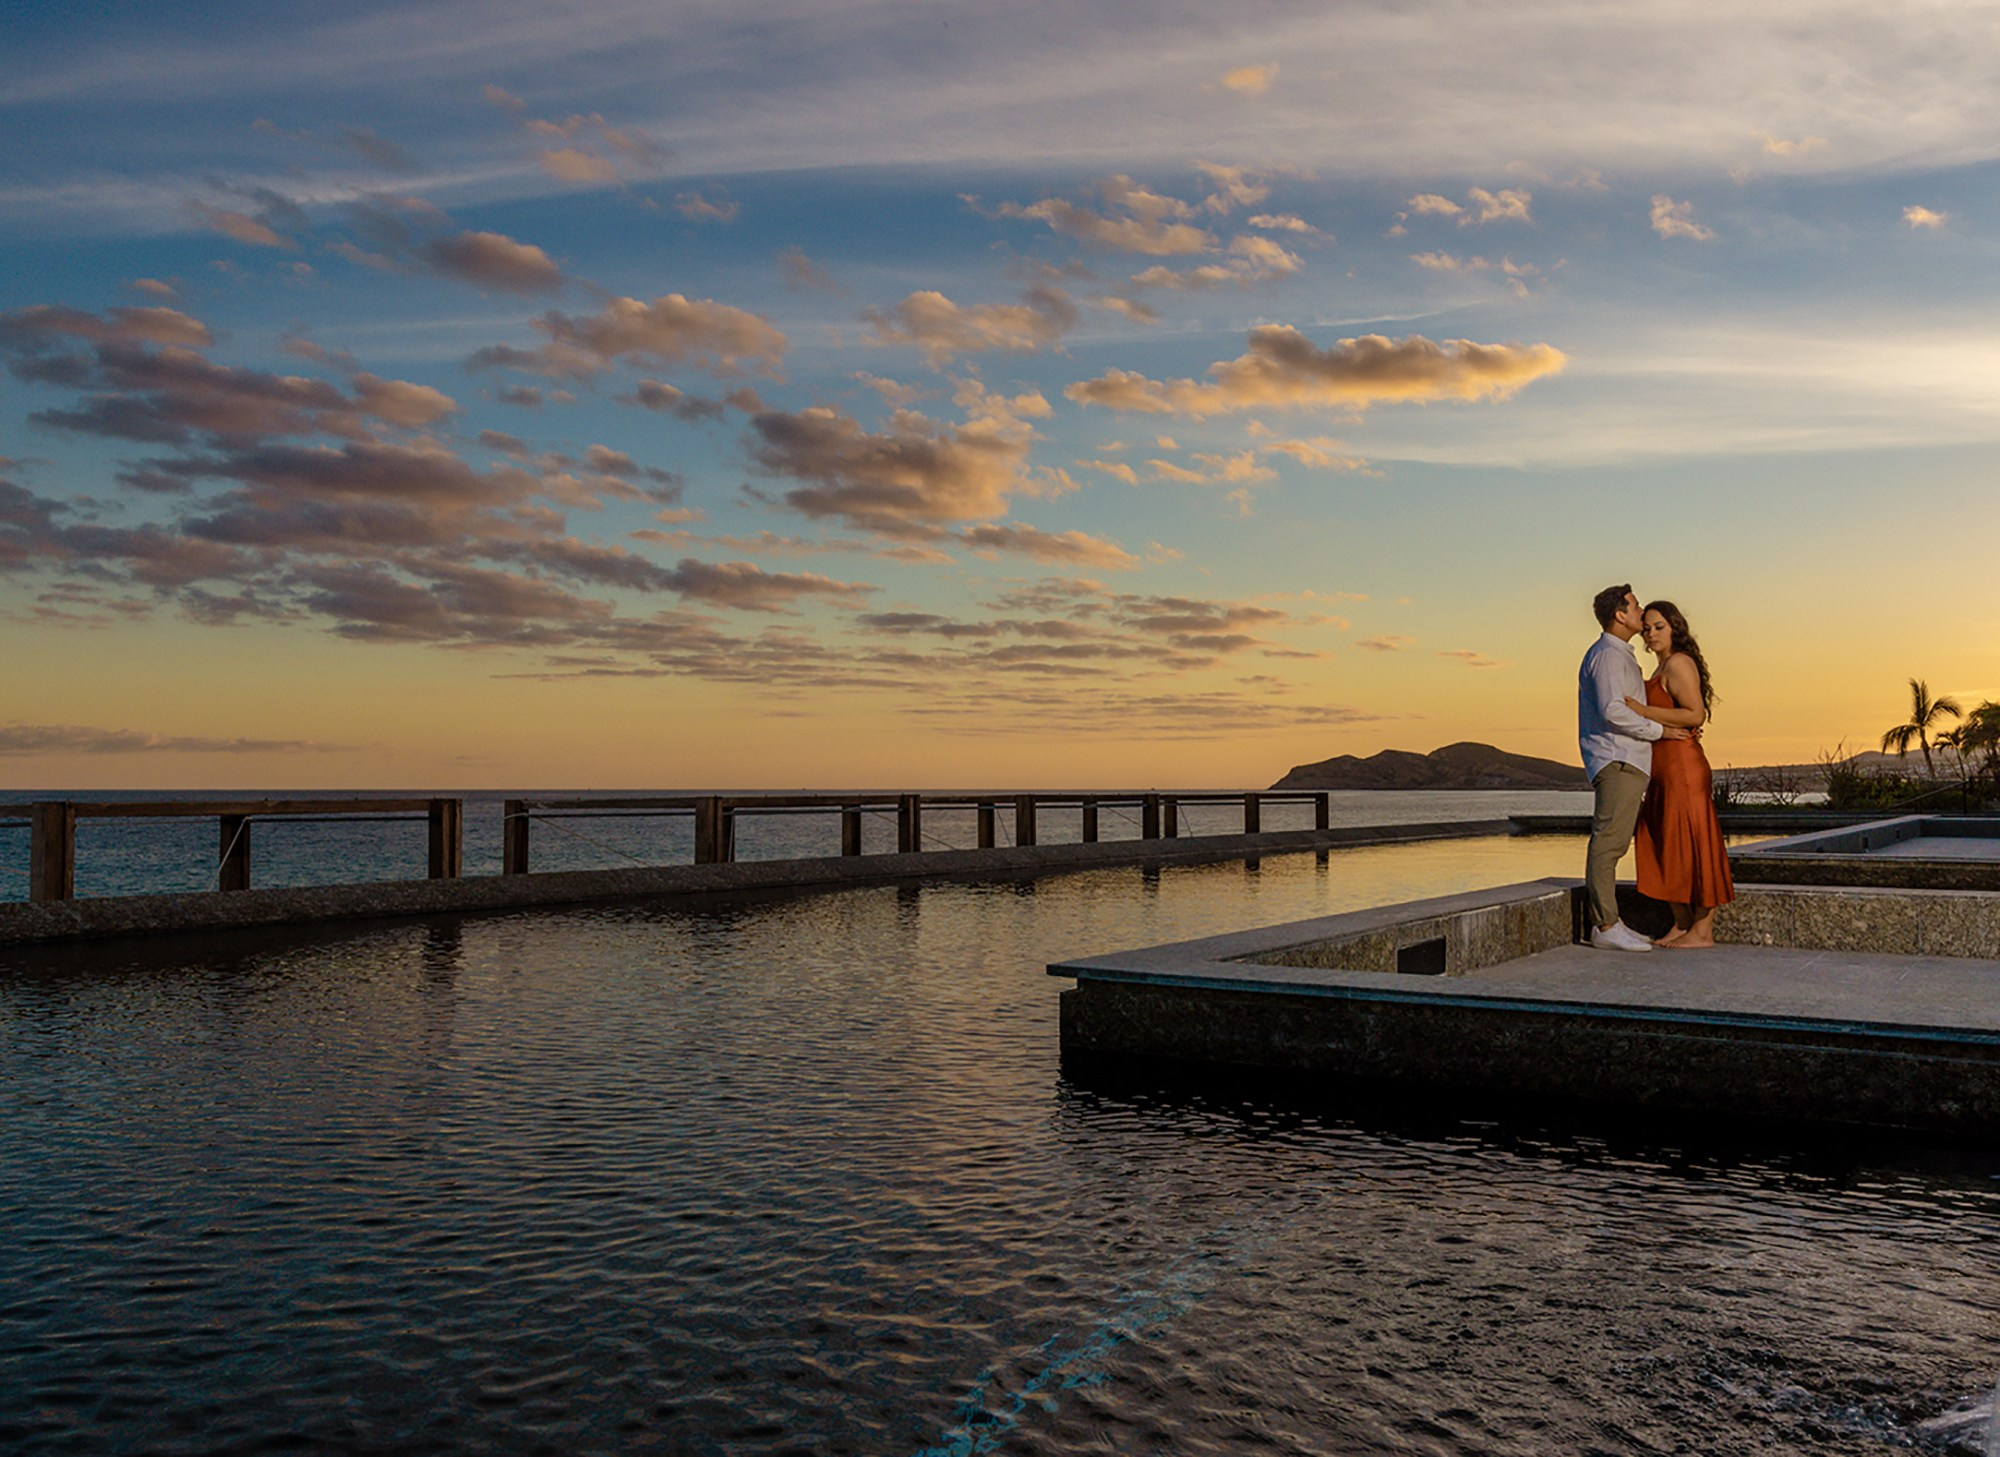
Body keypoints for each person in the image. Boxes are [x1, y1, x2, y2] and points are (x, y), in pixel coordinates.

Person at [1578, 584, 1688, 951]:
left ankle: (1610, 923)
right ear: (1620, 615)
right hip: (1618, 757)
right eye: (1636, 606)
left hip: (1628, 759)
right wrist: (1660, 731)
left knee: (1615, 842)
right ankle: (1606, 925)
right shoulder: (1608, 655)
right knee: (1609, 842)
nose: (1641, 612)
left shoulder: (1620, 655)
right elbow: (1612, 709)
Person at [1623, 600, 1735, 947]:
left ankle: (1702, 931)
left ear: (1675, 628)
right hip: (1662, 769)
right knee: (1660, 841)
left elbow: (1695, 715)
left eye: (1659, 627)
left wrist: (1643, 710)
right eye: (1648, 628)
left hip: (1683, 767)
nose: (1652, 633)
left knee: (1694, 843)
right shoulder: (1660, 668)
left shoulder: (1679, 663)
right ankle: (1681, 923)